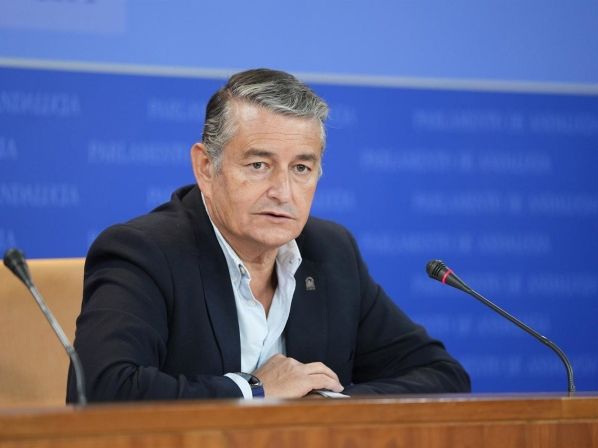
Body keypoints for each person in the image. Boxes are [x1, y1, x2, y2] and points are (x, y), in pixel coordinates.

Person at [67, 68, 470, 402]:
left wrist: (322, 404)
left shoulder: (332, 253)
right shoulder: (145, 252)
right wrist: (254, 390)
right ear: (206, 167)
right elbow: (102, 390)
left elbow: (441, 374)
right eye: (259, 165)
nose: (283, 192)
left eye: (301, 168)